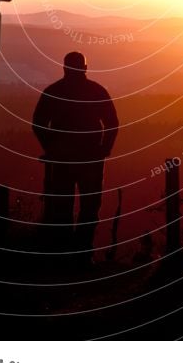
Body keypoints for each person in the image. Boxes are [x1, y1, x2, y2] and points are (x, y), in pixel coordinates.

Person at [32, 51, 119, 267]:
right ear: (85, 68)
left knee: (61, 205)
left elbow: (38, 123)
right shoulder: (97, 91)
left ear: (64, 68)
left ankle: (62, 254)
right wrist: (104, 149)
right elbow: (112, 122)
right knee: (89, 206)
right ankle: (83, 254)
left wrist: (50, 148)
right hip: (90, 158)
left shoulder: (54, 91)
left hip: (61, 160)